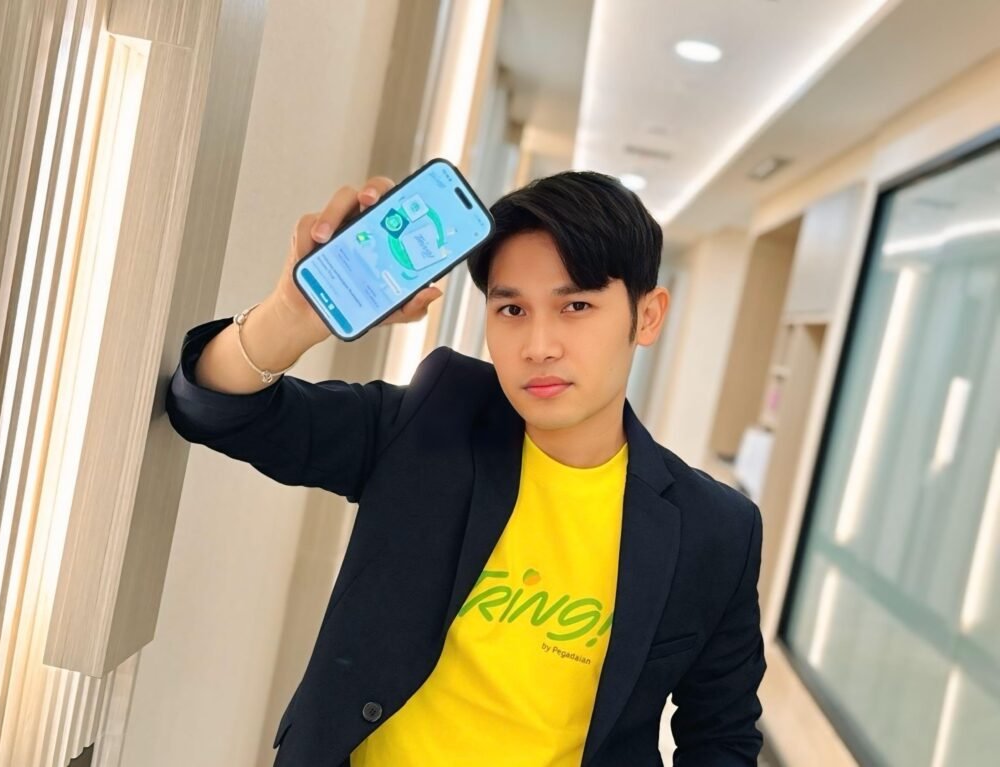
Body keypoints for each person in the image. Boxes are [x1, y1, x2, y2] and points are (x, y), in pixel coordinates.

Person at [165, 170, 767, 767]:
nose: (539, 345)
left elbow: (722, 737)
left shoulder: (714, 529)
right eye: (512, 309)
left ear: (648, 316)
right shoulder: (433, 422)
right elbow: (213, 410)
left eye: (576, 305)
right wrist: (291, 317)